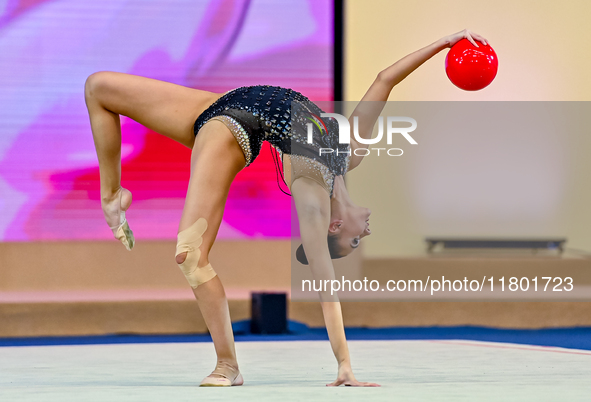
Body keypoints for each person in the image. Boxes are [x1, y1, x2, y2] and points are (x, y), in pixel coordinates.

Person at [85, 29, 488, 387]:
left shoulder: (312, 196)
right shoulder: (350, 153)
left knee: (190, 255)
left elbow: (328, 291)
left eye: (353, 241)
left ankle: (227, 365)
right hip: (221, 104)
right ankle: (112, 195)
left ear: (334, 227)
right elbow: (385, 78)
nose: (365, 233)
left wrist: (344, 365)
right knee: (99, 87)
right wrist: (445, 42)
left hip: (230, 131)